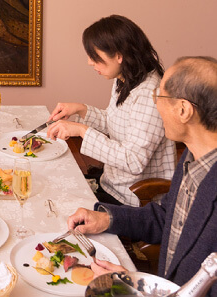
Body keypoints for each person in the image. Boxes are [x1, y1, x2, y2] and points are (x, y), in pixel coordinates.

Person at [67, 56, 217, 296]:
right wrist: (107, 219)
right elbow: (166, 216)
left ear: (183, 110)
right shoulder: (192, 156)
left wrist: (136, 287)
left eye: (159, 95)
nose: (155, 103)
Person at [47, 15, 176, 206]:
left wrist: (82, 131)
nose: (90, 62)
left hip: (133, 198)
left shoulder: (150, 94)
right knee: (53, 184)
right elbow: (115, 123)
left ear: (119, 55)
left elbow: (134, 161)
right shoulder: (125, 78)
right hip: (112, 183)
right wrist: (81, 110)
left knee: (58, 204)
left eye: (95, 56)